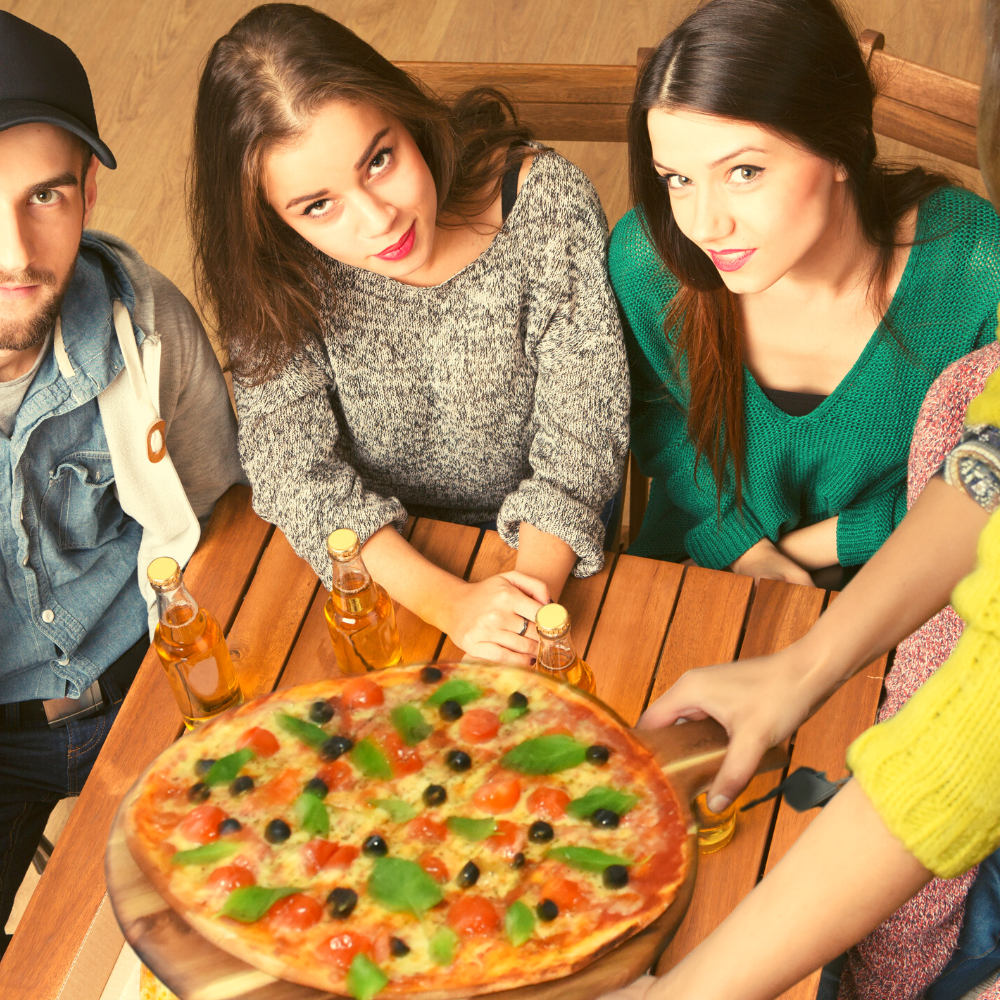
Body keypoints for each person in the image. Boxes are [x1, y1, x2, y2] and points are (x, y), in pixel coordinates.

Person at [190, 4, 629, 664]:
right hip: (369, 548)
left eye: (380, 159)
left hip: (545, 545)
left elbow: (584, 431)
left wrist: (520, 607)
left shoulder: (545, 206)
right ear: (274, 219)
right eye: (319, 205)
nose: (378, 221)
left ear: (405, 117)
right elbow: (288, 461)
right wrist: (447, 602)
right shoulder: (273, 265)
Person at [609, 0, 1000, 588]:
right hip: (698, 558)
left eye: (744, 171)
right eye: (678, 179)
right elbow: (661, 423)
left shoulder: (973, 266)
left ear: (843, 147)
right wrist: (742, 549)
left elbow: (979, 483)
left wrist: (810, 547)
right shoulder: (649, 259)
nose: (706, 225)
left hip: (905, 581)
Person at [0, 12, 244, 954]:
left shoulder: (146, 325)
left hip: (144, 682)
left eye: (45, 195)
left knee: (216, 938)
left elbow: (223, 521)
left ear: (89, 192)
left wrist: (190, 707)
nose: (15, 251)